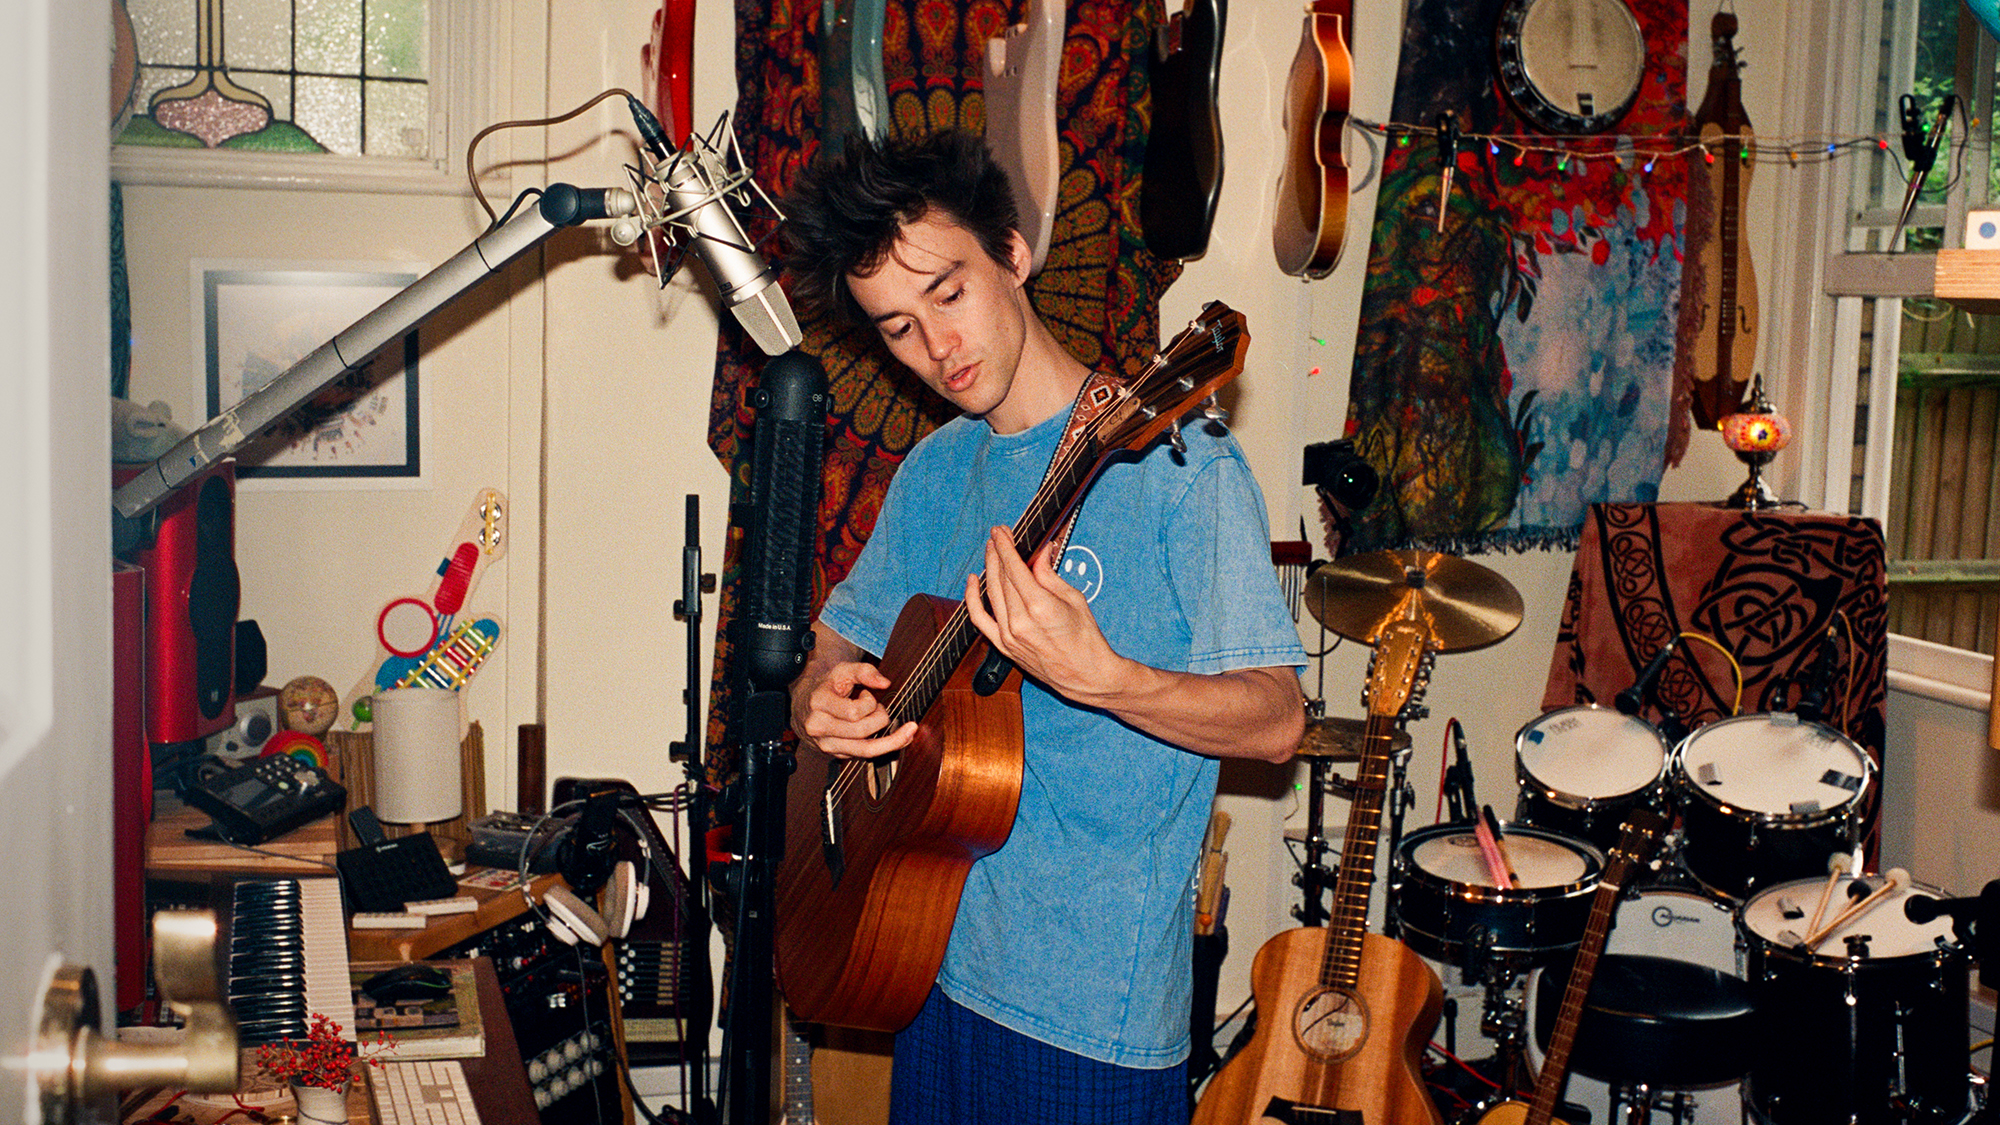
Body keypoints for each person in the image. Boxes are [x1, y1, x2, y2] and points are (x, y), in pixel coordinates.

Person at [781, 129, 1308, 1125]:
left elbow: (1276, 722)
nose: (934, 348)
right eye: (895, 327)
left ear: (1012, 256)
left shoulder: (1179, 467)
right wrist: (824, 700)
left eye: (947, 293)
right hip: (922, 957)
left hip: (1088, 1019)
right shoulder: (935, 470)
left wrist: (1105, 677)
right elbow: (835, 641)